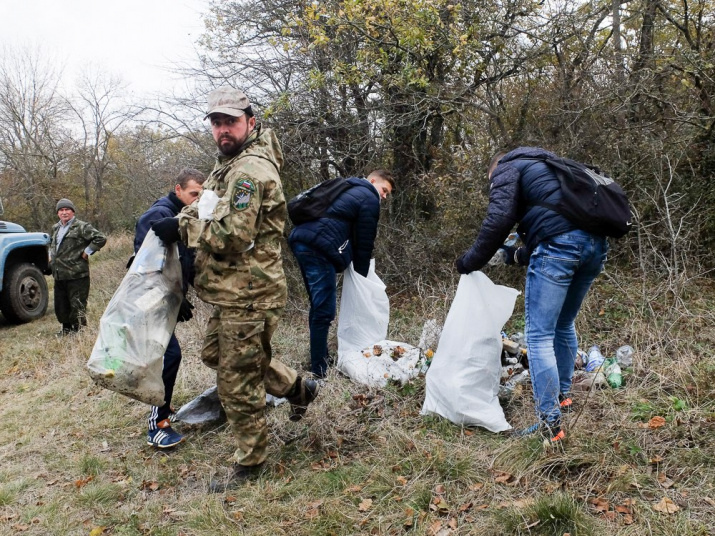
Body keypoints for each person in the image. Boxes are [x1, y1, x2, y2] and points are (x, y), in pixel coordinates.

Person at [151, 85, 319, 491]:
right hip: (232, 290)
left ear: (250, 122)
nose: (223, 129)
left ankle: (252, 461)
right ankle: (299, 388)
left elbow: (232, 233)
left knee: (236, 380)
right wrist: (178, 214)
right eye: (217, 122)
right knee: (217, 354)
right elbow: (208, 206)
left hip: (250, 292)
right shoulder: (228, 163)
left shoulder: (250, 171)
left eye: (231, 121)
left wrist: (181, 228)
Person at [455, 147, 609, 443]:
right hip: (595, 247)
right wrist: (514, 256)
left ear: (495, 168)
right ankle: (563, 399)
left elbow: (499, 220)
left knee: (538, 336)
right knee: (564, 324)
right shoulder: (555, 166)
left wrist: (469, 262)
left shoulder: (507, 167)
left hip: (560, 247)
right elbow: (557, 229)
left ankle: (550, 427)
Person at [288, 170, 395, 378]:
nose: (384, 196)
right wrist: (362, 280)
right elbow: (364, 242)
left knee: (318, 306)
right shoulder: (368, 197)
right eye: (384, 190)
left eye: (387, 194)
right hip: (319, 248)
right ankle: (319, 370)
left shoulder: (349, 187)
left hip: (302, 241)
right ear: (373, 181)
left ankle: (320, 357)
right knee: (324, 311)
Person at [132, 168, 206, 448]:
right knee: (168, 356)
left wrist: (183, 294)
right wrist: (173, 296)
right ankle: (157, 424)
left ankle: (162, 407)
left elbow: (182, 260)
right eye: (193, 194)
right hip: (150, 299)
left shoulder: (185, 217)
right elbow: (147, 266)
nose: (197, 199)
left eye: (201, 194)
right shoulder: (159, 216)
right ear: (178, 190)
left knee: (168, 355)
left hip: (167, 298)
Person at [50, 199, 107, 335]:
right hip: (59, 274)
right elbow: (52, 244)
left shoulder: (81, 226)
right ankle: (66, 329)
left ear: (73, 211)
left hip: (77, 274)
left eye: (67, 210)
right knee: (61, 304)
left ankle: (79, 331)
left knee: (77, 304)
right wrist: (50, 257)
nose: (64, 213)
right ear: (58, 213)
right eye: (61, 210)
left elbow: (101, 238)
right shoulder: (55, 228)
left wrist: (87, 252)